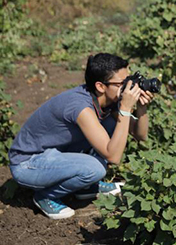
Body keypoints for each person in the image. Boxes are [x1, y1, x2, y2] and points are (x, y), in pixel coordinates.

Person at [8, 53, 155, 219]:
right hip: (28, 164)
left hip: (54, 154)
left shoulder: (105, 99)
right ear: (101, 86)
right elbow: (113, 157)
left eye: (128, 80)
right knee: (95, 169)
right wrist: (126, 109)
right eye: (123, 83)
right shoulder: (80, 107)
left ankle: (86, 187)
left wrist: (141, 108)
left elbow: (140, 135)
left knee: (114, 124)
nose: (129, 87)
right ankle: (45, 195)